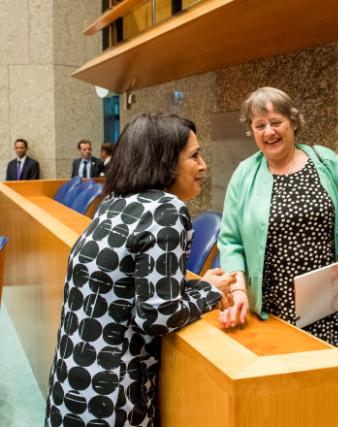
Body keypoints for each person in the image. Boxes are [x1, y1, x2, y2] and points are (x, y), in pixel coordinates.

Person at [45, 114, 236, 426]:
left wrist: (199, 286)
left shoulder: (114, 203)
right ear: (164, 162)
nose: (203, 166)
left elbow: (129, 288)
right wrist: (212, 293)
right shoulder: (167, 210)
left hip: (71, 383)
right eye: (194, 156)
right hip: (113, 396)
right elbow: (157, 315)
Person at [217, 87, 338, 347]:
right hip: (272, 310)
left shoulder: (327, 161)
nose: (269, 132)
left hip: (328, 307)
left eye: (276, 122)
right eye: (259, 125)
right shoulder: (244, 175)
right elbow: (231, 242)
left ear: (293, 122)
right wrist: (239, 291)